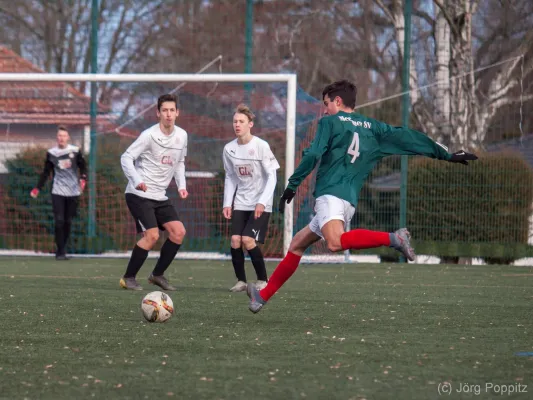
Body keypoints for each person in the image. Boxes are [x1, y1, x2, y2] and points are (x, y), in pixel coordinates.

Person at [247, 80, 478, 313]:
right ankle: (262, 297)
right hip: (348, 200)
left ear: (337, 101)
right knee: (298, 244)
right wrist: (446, 155)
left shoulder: (330, 122)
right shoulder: (374, 128)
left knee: (335, 242)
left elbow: (313, 153)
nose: (325, 110)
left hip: (330, 195)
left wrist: (293, 184)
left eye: (326, 104)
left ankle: (393, 239)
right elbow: (409, 138)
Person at [119, 93, 188, 291]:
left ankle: (157, 275)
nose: (168, 114)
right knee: (152, 235)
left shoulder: (182, 135)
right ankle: (128, 278)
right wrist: (137, 180)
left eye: (172, 110)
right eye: (164, 110)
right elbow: (126, 157)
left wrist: (181, 186)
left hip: (159, 196)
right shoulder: (148, 135)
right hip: (139, 194)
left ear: (177, 113)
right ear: (158, 113)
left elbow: (180, 162)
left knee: (178, 232)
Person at [222, 104, 280, 292]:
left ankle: (263, 280)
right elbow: (230, 176)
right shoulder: (229, 149)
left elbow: (272, 176)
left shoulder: (261, 146)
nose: (237, 125)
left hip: (260, 203)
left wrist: (262, 201)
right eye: (235, 121)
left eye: (241, 121)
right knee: (235, 241)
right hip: (241, 201)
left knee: (248, 240)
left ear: (250, 124)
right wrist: (227, 203)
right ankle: (241, 281)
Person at [30, 126, 87, 260]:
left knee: (68, 221)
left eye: (64, 136)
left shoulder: (75, 151)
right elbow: (46, 172)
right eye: (59, 136)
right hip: (58, 190)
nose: (61, 138)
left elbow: (83, 166)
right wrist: (37, 188)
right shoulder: (52, 153)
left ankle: (63, 248)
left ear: (68, 138)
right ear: (57, 138)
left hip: (73, 191)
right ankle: (60, 252)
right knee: (59, 221)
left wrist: (83, 178)